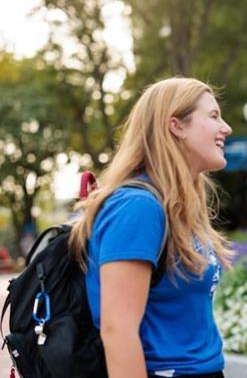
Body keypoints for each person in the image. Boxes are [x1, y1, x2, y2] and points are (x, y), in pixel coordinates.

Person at [69, 77, 233, 378]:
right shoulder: (138, 208)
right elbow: (117, 330)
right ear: (176, 126)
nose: (226, 127)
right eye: (213, 116)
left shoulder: (176, 206)